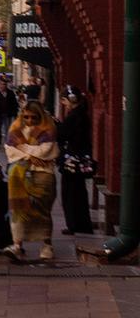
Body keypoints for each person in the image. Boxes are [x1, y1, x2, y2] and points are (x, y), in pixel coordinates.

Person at [5, 97, 60, 262]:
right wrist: (30, 155)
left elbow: (45, 151)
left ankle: (46, 245)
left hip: (43, 174)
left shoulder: (48, 129)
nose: (29, 121)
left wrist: (22, 149)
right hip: (19, 175)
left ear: (40, 116)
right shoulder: (15, 128)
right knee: (18, 210)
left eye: (33, 117)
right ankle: (17, 245)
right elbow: (9, 150)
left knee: (42, 210)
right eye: (26, 117)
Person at [57, 87, 96, 235]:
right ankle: (80, 224)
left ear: (71, 100)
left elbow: (63, 135)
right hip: (79, 159)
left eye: (64, 100)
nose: (64, 104)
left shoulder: (75, 116)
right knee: (78, 192)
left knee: (71, 193)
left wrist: (57, 125)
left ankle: (75, 224)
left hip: (73, 160)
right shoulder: (81, 114)